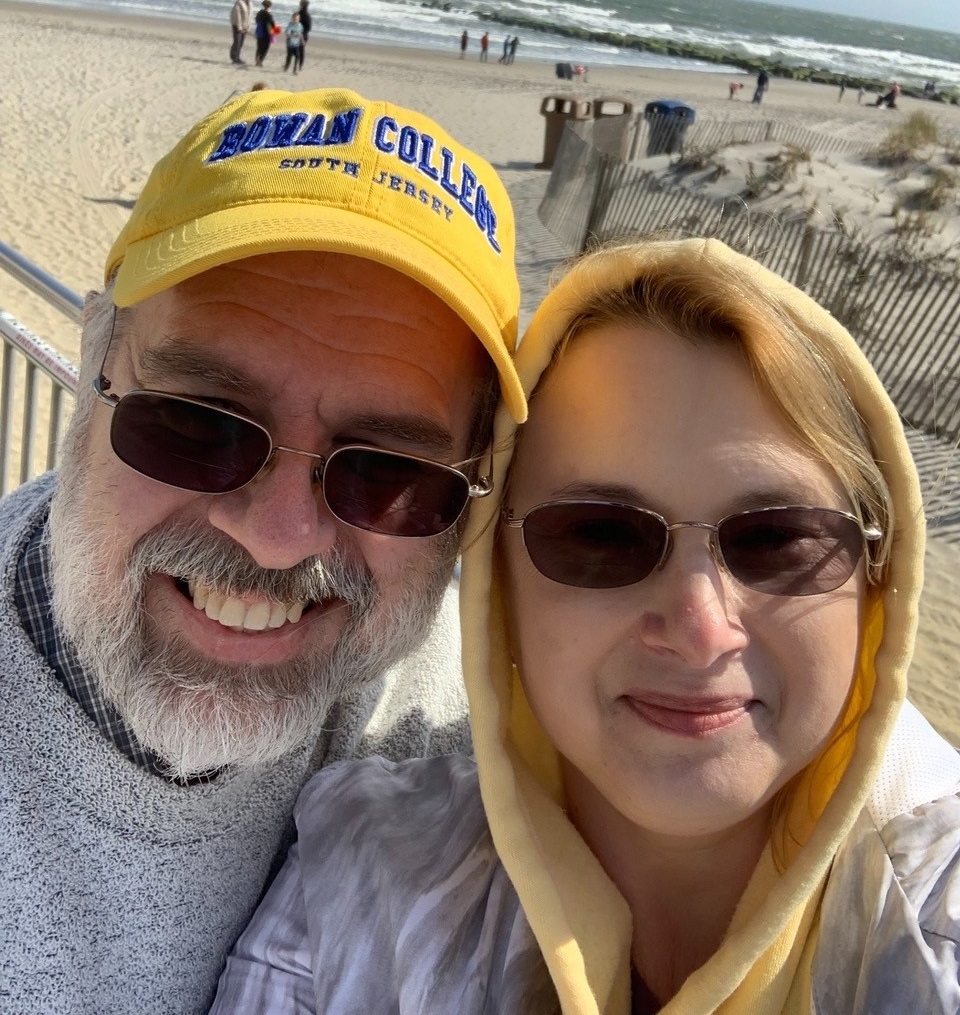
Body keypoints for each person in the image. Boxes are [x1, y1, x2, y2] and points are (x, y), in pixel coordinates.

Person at [212, 238, 960, 1013]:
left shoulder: (938, 928)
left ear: (876, 577)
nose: (701, 629)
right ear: (499, 585)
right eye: (600, 536)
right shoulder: (360, 881)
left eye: (776, 541)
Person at [0, 86, 525, 1014]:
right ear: (92, 369)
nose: (279, 537)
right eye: (199, 423)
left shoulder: (461, 721)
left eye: (388, 471)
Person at [253, 0, 275, 66]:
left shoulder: (259, 13)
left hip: (259, 30)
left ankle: (257, 59)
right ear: (270, 6)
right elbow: (273, 25)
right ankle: (260, 61)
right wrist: (275, 33)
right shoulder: (269, 15)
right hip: (267, 33)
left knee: (259, 46)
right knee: (265, 48)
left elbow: (256, 20)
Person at [295, 0, 311, 71]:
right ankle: (300, 66)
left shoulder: (297, 14)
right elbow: (309, 28)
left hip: (296, 34)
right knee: (301, 51)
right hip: (304, 35)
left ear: (301, 5)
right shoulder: (308, 16)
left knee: (294, 50)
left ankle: (291, 65)